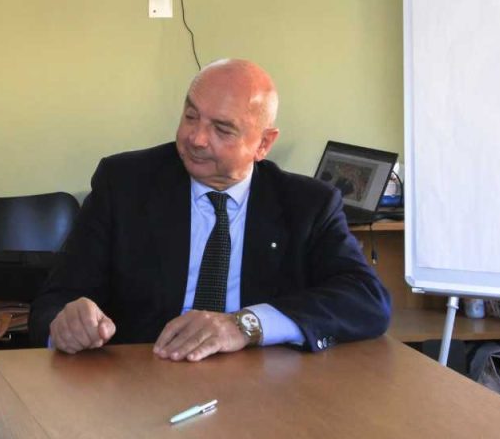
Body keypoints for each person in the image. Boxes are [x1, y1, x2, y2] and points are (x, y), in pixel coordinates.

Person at [30, 59, 390, 360]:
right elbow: (55, 299)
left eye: (222, 129)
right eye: (191, 116)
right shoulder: (124, 184)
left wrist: (244, 325)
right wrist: (66, 323)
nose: (197, 139)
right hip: (142, 378)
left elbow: (367, 299)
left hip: (262, 386)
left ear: (263, 144)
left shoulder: (307, 205)